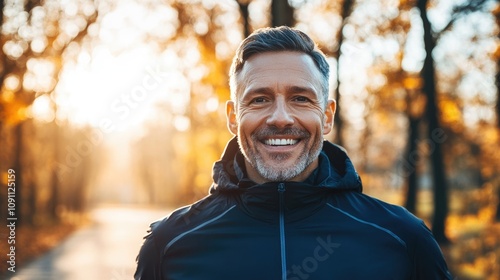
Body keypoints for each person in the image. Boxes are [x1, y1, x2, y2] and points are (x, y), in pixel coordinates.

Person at [134, 26, 452, 280]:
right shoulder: (168, 245)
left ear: (327, 116)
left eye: (300, 98)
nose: (281, 118)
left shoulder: (403, 239)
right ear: (233, 117)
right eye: (259, 99)